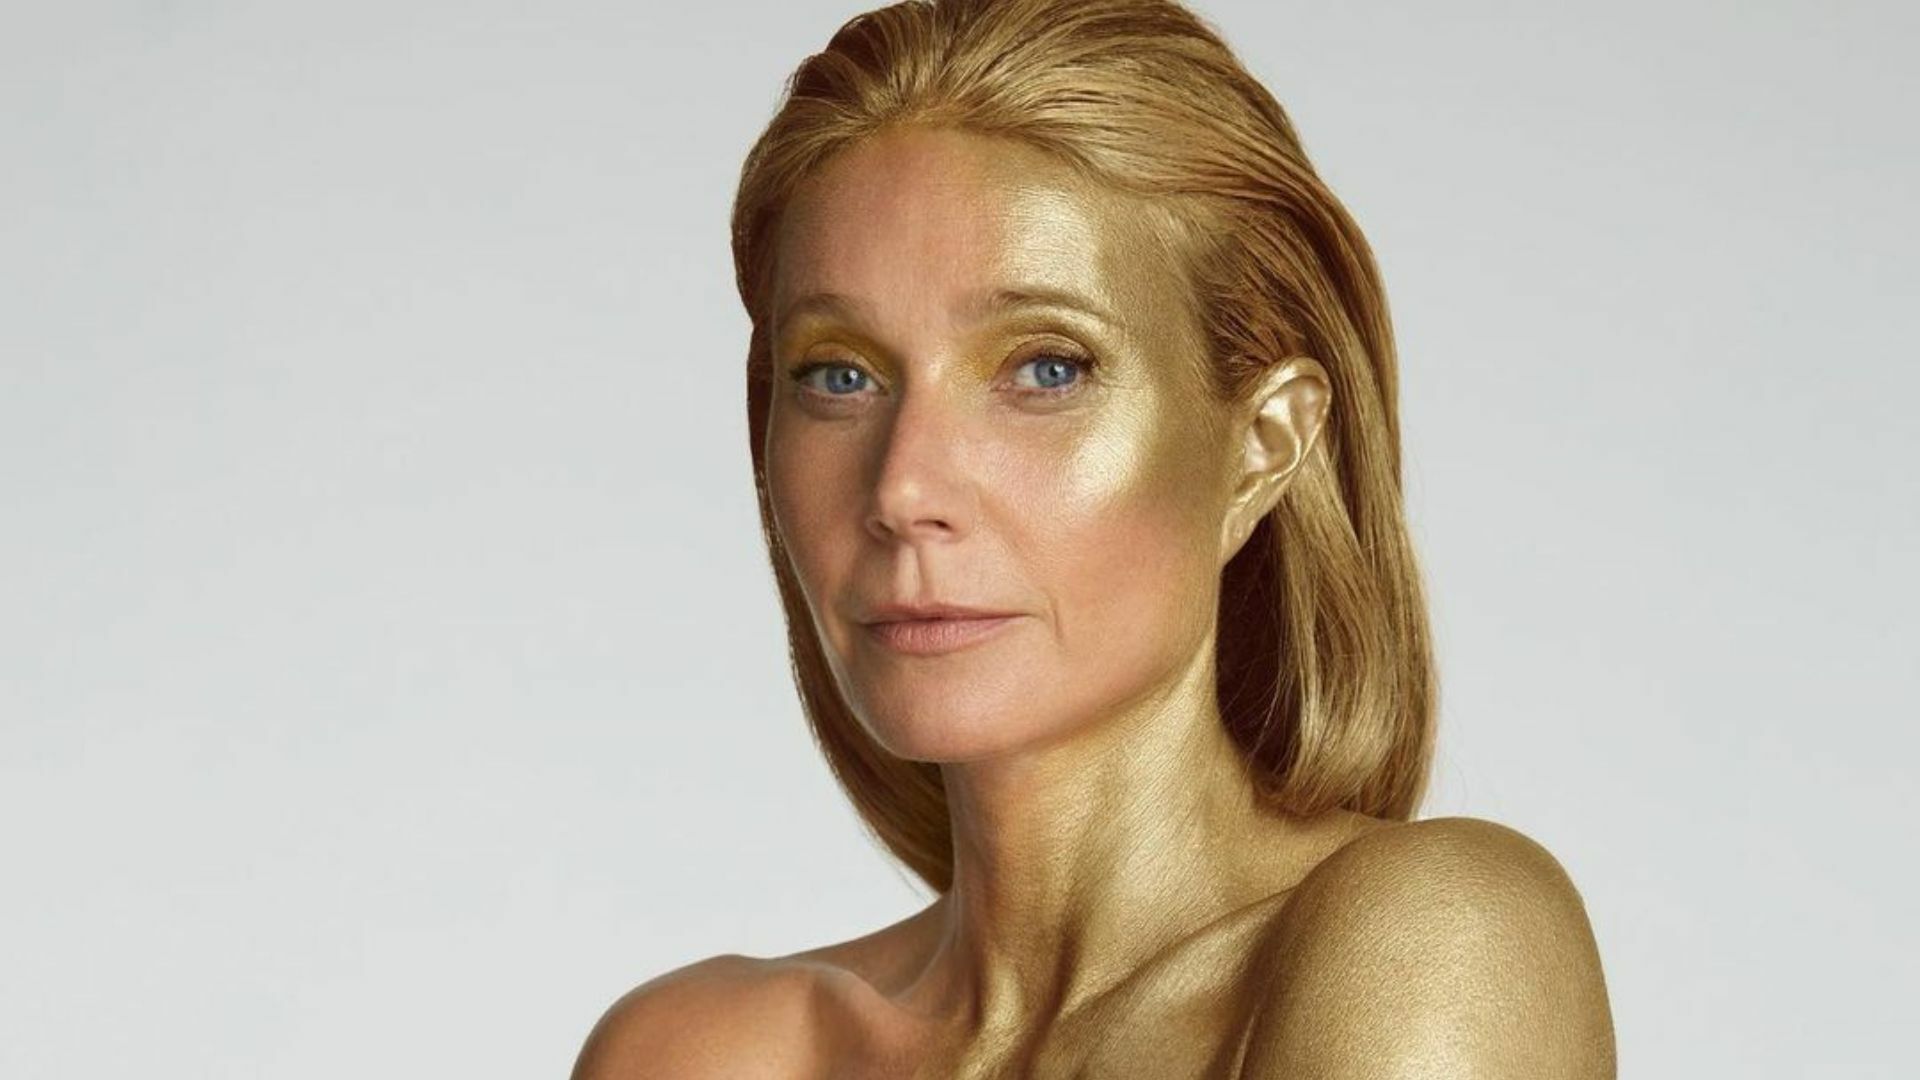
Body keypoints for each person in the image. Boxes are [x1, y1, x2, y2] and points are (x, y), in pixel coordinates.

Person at [573, 0, 1615, 1075]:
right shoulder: (700, 1052)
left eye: (1046, 368)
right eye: (840, 375)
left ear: (1262, 445)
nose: (903, 487)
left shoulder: (1440, 937)